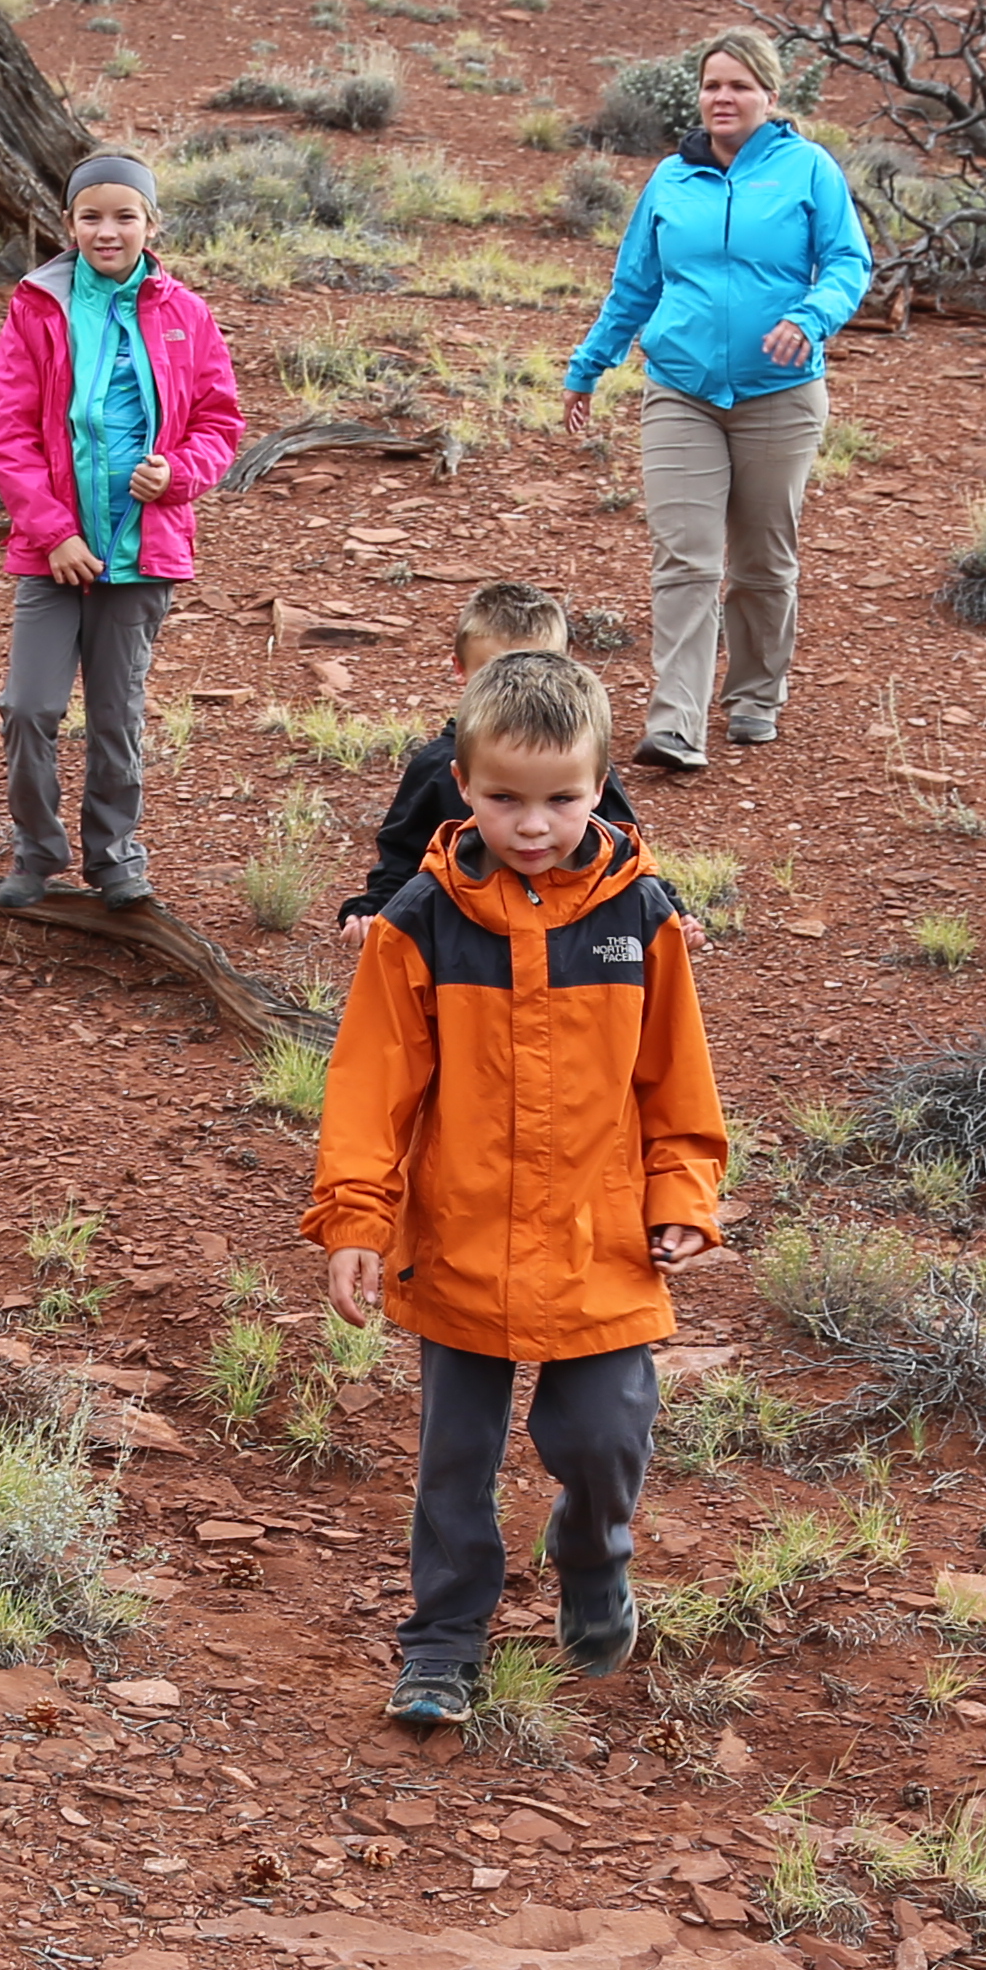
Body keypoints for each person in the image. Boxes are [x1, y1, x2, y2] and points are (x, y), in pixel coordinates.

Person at [304, 644, 730, 1727]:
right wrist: (358, 1215)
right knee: (456, 1458)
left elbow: (676, 1079)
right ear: (462, 785)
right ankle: (443, 1642)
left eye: (560, 800)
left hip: (604, 1242)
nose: (531, 825)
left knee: (601, 1433)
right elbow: (370, 1087)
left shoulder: (643, 919)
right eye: (502, 799)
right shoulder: (420, 919)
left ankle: (593, 1554)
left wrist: (682, 1196)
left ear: (599, 788)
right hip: (460, 1236)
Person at [560, 29, 872, 772]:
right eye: (711, 85)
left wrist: (811, 316)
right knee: (686, 559)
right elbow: (636, 284)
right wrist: (589, 364)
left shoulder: (808, 171)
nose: (723, 97)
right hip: (682, 391)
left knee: (764, 560)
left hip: (780, 395)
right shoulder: (671, 178)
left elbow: (848, 262)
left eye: (738, 85)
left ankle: (757, 696)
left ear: (771, 95)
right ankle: (676, 724)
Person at [0, 148, 244, 910]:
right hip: (50, 552)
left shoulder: (185, 315)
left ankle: (114, 858)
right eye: (91, 216)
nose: (108, 229)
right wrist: (54, 532)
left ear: (151, 225)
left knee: (115, 715)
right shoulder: (38, 307)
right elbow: (8, 434)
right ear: (68, 224)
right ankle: (36, 853)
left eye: (125, 215)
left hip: (142, 547)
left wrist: (179, 474)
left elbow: (220, 420)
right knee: (29, 706)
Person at [338, 590, 638, 927]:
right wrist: (378, 908)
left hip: (573, 933)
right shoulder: (436, 766)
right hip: (462, 936)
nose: (518, 685)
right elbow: (405, 855)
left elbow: (627, 849)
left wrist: (666, 908)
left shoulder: (580, 761)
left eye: (561, 799)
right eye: (493, 670)